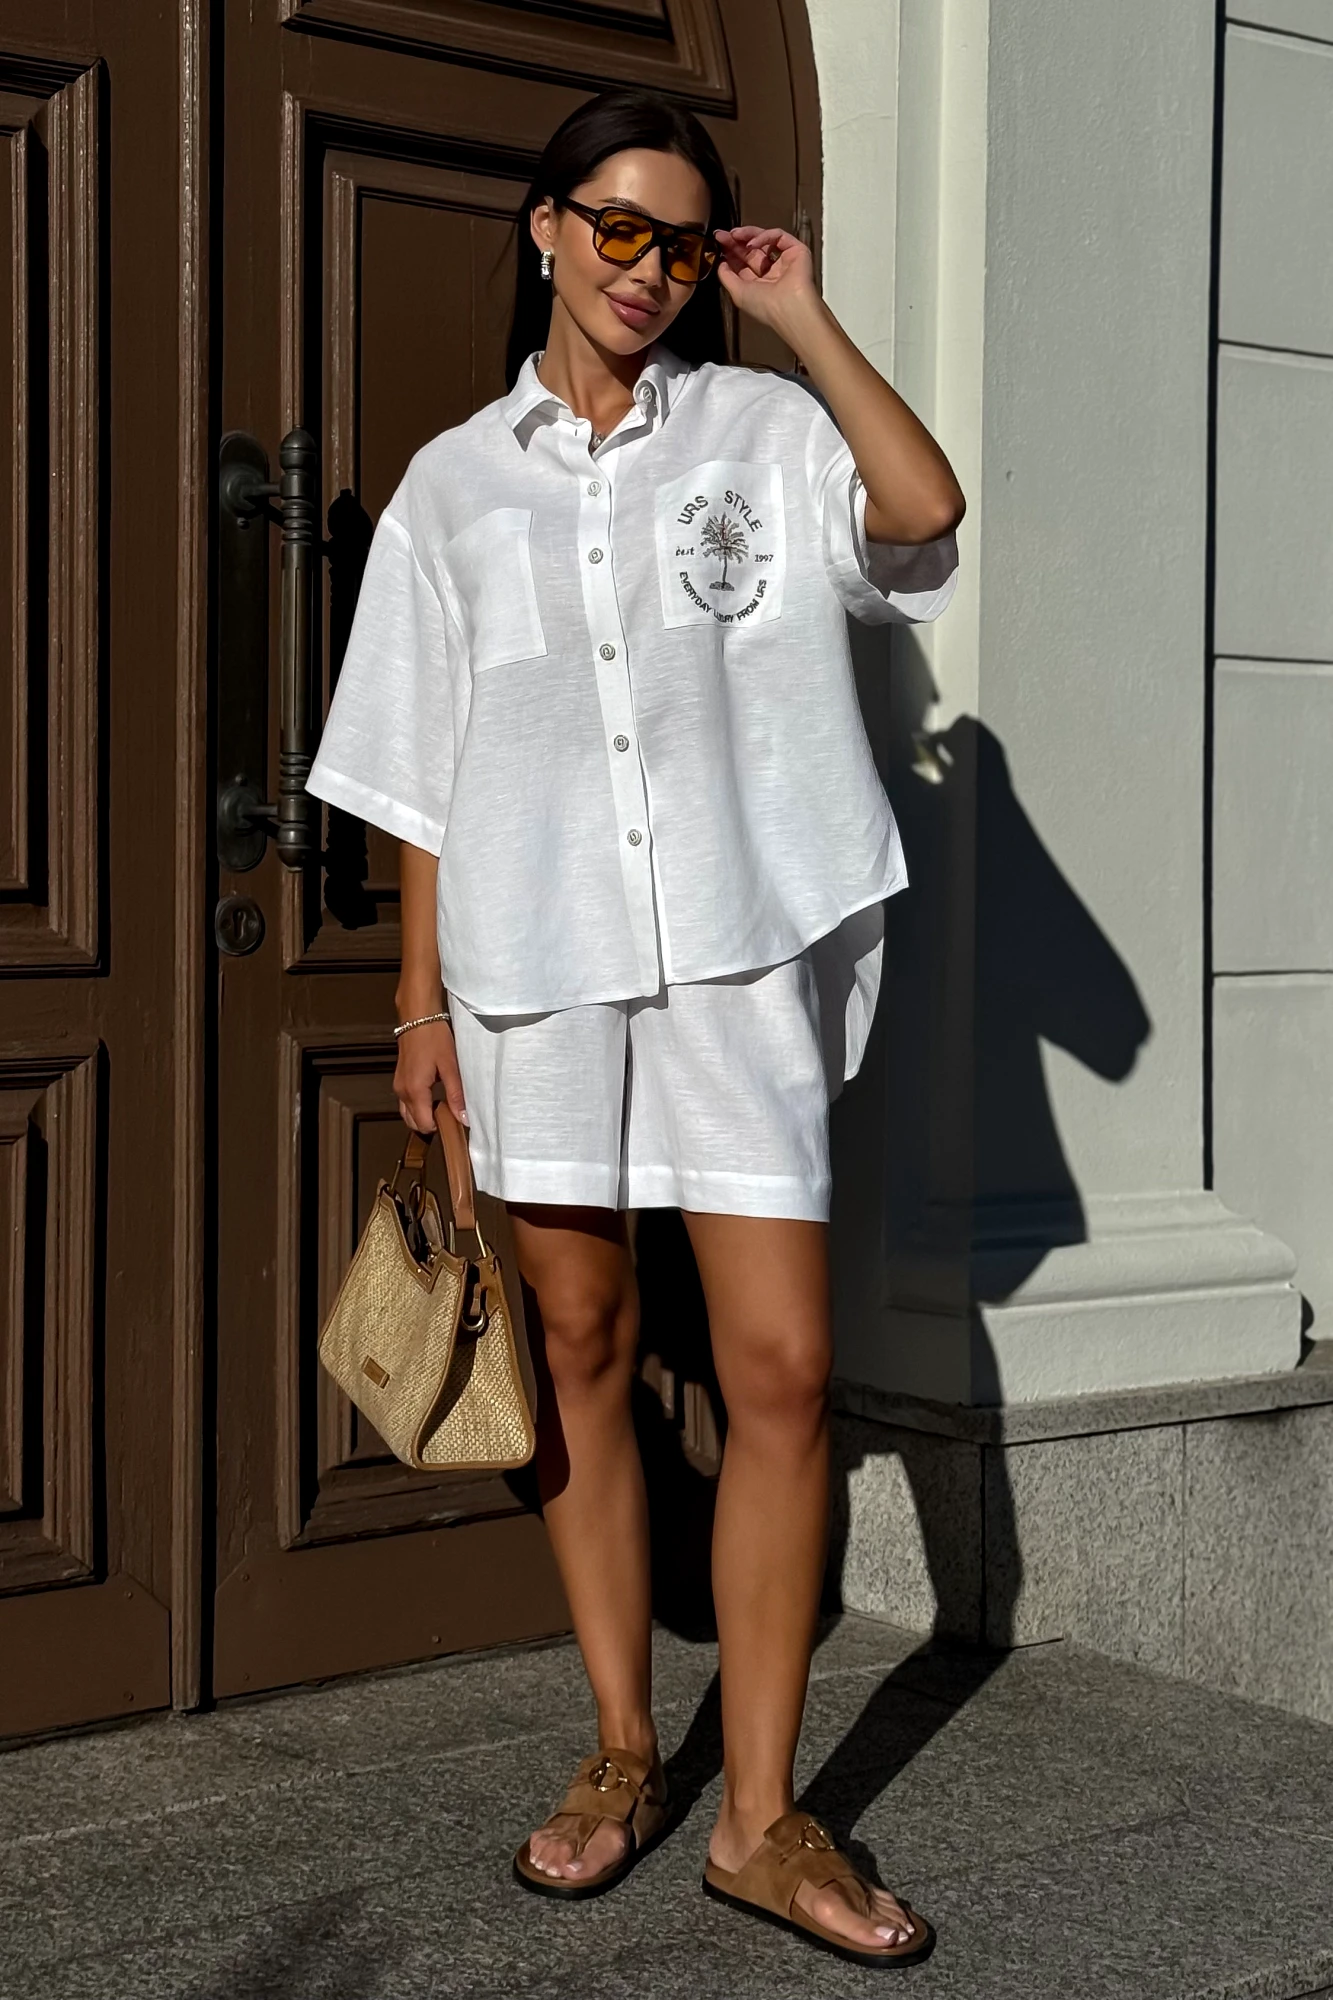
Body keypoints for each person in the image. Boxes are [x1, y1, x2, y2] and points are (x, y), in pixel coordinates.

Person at [306, 85, 963, 1970]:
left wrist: (800, 313)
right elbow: (421, 772)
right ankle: (620, 1748)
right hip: (536, 974)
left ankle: (759, 1816)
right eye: (616, 226)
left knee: (783, 1373)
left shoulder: (763, 428)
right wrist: (417, 1003)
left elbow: (923, 516)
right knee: (581, 1347)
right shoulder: (452, 487)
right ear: (543, 227)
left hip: (739, 966)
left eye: (681, 242)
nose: (648, 269)